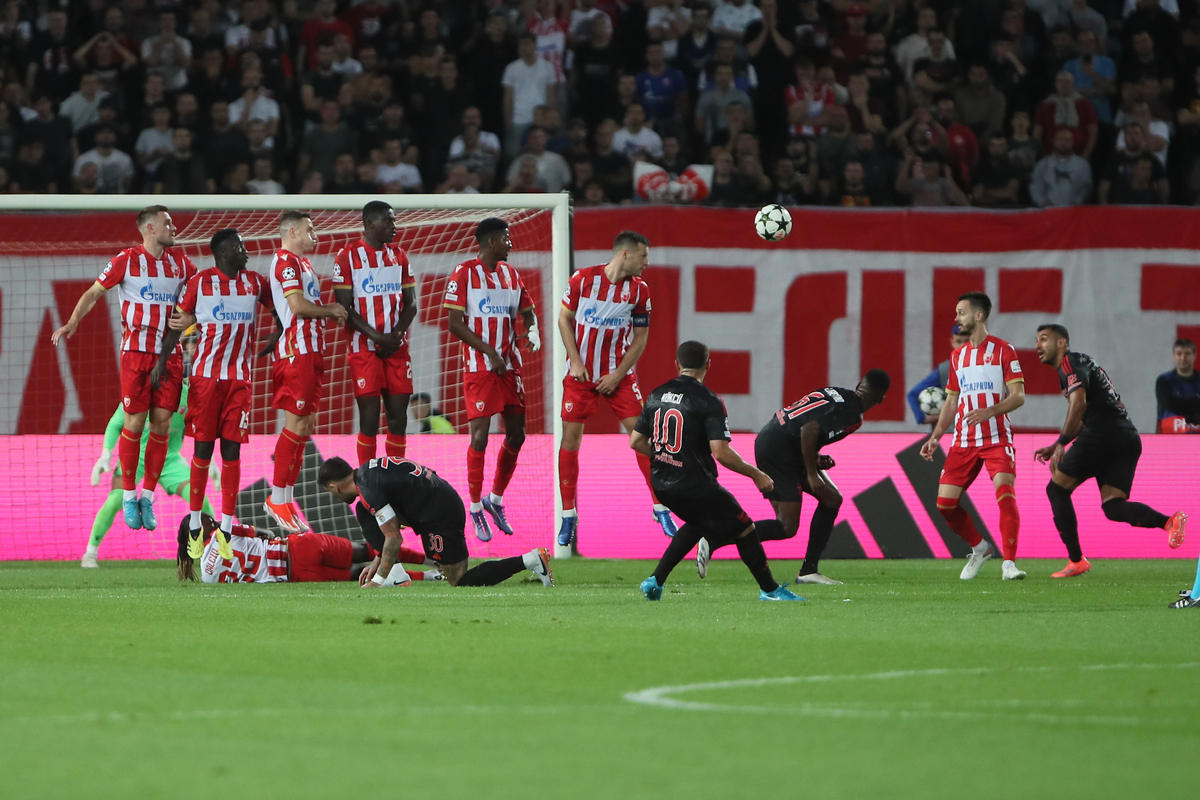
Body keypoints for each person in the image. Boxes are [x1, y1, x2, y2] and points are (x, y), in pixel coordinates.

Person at [51, 206, 198, 531]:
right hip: (136, 355)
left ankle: (147, 495)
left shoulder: (182, 264)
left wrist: (191, 318)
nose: (174, 227)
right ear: (149, 228)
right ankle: (128, 493)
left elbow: (201, 296)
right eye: (167, 223)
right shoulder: (126, 260)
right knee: (134, 421)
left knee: (161, 425)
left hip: (170, 355)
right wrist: (73, 321)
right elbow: (93, 292)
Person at [631, 341, 803, 602]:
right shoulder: (708, 400)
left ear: (677, 364)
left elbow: (635, 441)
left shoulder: (657, 394)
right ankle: (770, 590)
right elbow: (720, 452)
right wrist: (757, 474)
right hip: (694, 484)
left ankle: (655, 581)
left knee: (697, 522)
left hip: (662, 484)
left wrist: (666, 457)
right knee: (745, 527)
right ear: (708, 364)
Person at [1033, 324, 1187, 577]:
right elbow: (1085, 414)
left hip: (1103, 434)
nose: (1038, 345)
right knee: (1113, 507)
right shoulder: (1081, 365)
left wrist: (1061, 442)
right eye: (1037, 340)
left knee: (1056, 489)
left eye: (1044, 339)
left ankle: (1076, 560)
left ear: (1061, 343)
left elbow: (1079, 405)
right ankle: (1170, 522)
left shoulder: (1070, 362)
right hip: (1127, 437)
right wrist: (1059, 443)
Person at [556, 231, 674, 547]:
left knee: (642, 439)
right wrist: (577, 362)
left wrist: (617, 374)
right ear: (625, 254)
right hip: (579, 378)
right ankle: (568, 515)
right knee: (570, 440)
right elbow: (563, 320)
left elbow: (640, 339)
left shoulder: (640, 291)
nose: (646, 263)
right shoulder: (582, 280)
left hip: (619, 379)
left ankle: (660, 506)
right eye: (643, 256)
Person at [167, 228, 279, 561]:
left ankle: (227, 528)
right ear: (222, 253)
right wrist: (165, 360)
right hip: (204, 379)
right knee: (202, 448)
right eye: (238, 246)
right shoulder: (200, 283)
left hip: (239, 381)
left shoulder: (256, 283)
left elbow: (282, 309)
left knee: (231, 450)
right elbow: (178, 322)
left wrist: (277, 334)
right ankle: (196, 524)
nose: (244, 251)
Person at [730, 371, 891, 585]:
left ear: (860, 384)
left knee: (832, 498)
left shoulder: (835, 392)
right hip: (778, 450)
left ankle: (809, 570)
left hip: (776, 438)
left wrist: (816, 457)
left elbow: (803, 424)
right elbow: (809, 430)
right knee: (787, 527)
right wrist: (813, 473)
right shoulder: (853, 416)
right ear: (880, 399)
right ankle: (716, 536)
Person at [443, 218, 541, 542]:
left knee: (517, 435)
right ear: (489, 242)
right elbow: (454, 324)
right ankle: (473, 507)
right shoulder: (464, 273)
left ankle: (495, 500)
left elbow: (527, 309)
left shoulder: (511, 275)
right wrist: (489, 351)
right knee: (480, 438)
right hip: (480, 367)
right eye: (505, 238)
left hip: (509, 366)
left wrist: (533, 330)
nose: (511, 243)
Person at [318, 456, 553, 588]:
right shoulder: (367, 475)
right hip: (435, 503)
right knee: (364, 510)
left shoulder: (368, 488)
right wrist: (377, 563)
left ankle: (531, 560)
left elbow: (394, 537)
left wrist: (377, 581)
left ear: (333, 487)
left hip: (439, 515)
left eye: (332, 494)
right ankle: (397, 576)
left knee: (459, 580)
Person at [920, 292, 1027, 581]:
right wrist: (936, 436)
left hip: (996, 438)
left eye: (961, 312)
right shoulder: (957, 356)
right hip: (963, 441)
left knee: (1005, 493)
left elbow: (1018, 397)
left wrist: (989, 411)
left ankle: (1009, 564)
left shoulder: (1004, 351)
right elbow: (951, 402)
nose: (956, 318)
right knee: (945, 504)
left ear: (978, 315)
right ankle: (980, 548)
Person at [264, 212, 348, 534]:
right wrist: (330, 310)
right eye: (310, 229)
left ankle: (286, 498)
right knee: (295, 423)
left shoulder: (304, 264)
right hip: (296, 353)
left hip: (312, 351)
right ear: (292, 231)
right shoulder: (285, 262)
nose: (315, 234)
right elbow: (297, 307)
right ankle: (276, 498)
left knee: (306, 425)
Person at [83, 384, 216, 568]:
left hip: (169, 460)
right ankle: (90, 553)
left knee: (201, 499)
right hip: (135, 458)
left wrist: (211, 460)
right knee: (115, 500)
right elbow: (115, 423)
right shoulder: (138, 388)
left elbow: (200, 427)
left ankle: (213, 551)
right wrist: (105, 453)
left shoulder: (186, 395)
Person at [333, 201, 418, 466]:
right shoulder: (347, 256)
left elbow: (411, 303)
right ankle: (367, 478)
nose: (395, 227)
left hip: (396, 347)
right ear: (369, 224)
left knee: (399, 419)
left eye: (394, 220)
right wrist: (378, 337)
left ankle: (396, 476)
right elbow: (344, 307)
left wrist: (395, 335)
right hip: (363, 349)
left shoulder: (399, 255)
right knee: (369, 420)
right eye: (388, 221)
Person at [177, 512, 441, 584]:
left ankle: (430, 577)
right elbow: (267, 533)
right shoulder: (226, 529)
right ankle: (432, 562)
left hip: (294, 575)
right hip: (301, 546)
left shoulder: (209, 576)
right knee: (366, 549)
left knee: (358, 574)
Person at [907, 324, 970, 424]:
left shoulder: (986, 367)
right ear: (952, 342)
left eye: (967, 341)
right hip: (950, 432)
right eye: (958, 341)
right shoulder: (944, 370)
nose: (962, 346)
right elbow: (913, 394)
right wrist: (923, 418)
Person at [1156, 338, 1200, 433]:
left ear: (1194, 355)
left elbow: (1176, 404)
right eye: (1179, 354)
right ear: (1174, 356)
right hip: (1169, 439)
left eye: (1187, 354)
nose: (1183, 358)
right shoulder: (1164, 380)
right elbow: (1169, 403)